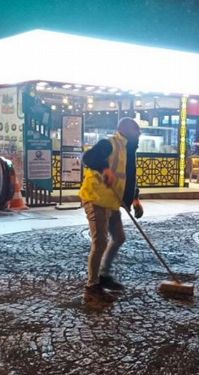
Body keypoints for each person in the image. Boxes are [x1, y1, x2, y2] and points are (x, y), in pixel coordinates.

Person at [79, 117, 144, 303]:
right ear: (124, 129)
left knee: (119, 237)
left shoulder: (129, 150)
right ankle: (92, 287)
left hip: (112, 201)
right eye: (136, 129)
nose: (139, 133)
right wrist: (104, 169)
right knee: (100, 242)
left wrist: (135, 199)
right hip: (96, 198)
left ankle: (104, 275)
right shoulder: (109, 144)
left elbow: (128, 177)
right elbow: (89, 158)